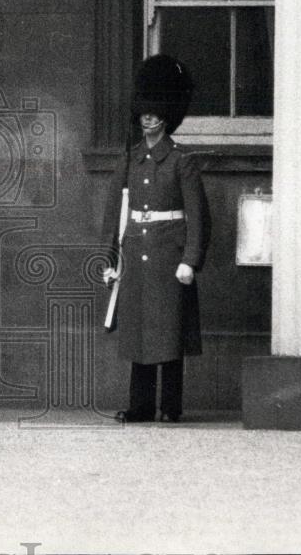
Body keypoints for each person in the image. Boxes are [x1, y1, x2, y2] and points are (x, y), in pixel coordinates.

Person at [102, 54, 210, 423]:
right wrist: (110, 260)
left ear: (166, 114)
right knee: (139, 335)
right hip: (136, 255)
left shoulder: (182, 161)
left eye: (154, 110)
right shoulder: (130, 159)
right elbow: (114, 213)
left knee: (169, 334)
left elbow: (198, 217)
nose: (147, 117)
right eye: (143, 111)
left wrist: (190, 260)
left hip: (169, 256)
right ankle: (141, 405)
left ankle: (171, 406)